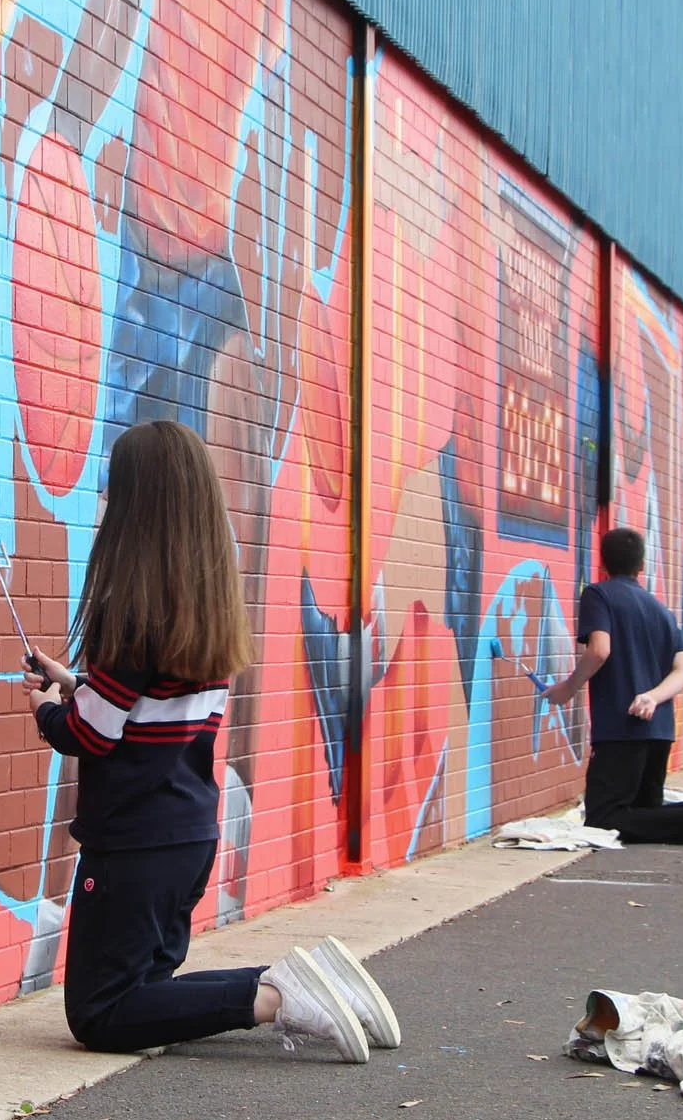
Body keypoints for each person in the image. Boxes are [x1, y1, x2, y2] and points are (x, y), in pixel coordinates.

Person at [20, 420, 399, 1065]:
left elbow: (89, 733)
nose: (104, 498)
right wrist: (80, 682)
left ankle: (275, 994)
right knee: (145, 993)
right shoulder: (206, 606)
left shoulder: (129, 607)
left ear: (139, 504)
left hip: (133, 846)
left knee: (101, 1013)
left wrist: (48, 706)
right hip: (188, 832)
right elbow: (148, 707)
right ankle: (317, 982)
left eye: (113, 487)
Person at [543, 529, 683, 847]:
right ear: (642, 564)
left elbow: (599, 650)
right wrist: (653, 697)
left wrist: (568, 688)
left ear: (602, 562)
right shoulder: (660, 610)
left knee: (603, 819)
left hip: (621, 728)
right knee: (645, 813)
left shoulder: (598, 595)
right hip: (659, 730)